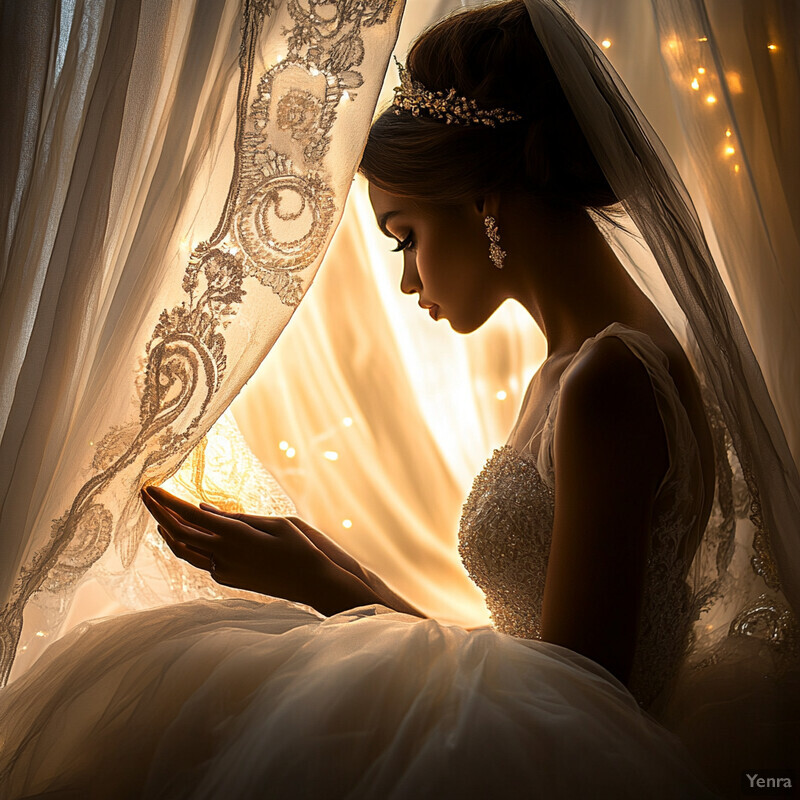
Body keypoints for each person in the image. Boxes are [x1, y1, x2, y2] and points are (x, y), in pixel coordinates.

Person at [0, 1, 796, 798]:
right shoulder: (582, 366)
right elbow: (541, 668)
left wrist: (321, 585)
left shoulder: (607, 382)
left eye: (405, 234)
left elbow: (575, 707)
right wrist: (326, 565)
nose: (409, 280)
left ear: (483, 197)